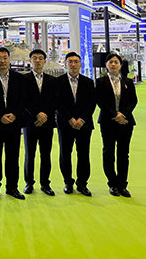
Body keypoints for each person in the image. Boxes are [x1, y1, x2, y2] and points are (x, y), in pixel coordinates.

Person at [0, 46, 27, 200]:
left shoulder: (19, 78)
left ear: (9, 59)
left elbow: (23, 99)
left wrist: (14, 114)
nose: (2, 61)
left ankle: (12, 187)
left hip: (13, 123)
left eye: (5, 58)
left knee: (13, 157)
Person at [96, 53, 138, 198]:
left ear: (120, 65)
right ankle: (112, 184)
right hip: (108, 121)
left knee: (123, 153)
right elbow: (100, 101)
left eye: (116, 62)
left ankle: (122, 184)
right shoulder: (100, 82)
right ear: (106, 65)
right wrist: (114, 115)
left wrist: (123, 114)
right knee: (108, 152)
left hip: (125, 122)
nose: (113, 64)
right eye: (110, 62)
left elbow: (133, 100)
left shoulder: (128, 82)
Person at [55, 52, 96, 196]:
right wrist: (70, 119)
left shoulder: (88, 82)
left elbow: (92, 103)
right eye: (70, 62)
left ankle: (82, 184)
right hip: (65, 124)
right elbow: (58, 102)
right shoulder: (58, 82)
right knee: (65, 154)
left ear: (80, 64)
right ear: (65, 64)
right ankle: (68, 182)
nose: (73, 64)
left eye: (76, 61)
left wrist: (82, 119)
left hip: (84, 124)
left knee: (83, 154)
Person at [22, 49, 57, 196]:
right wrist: (37, 114)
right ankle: (29, 183)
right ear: (30, 61)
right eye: (34, 58)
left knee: (45, 154)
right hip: (30, 122)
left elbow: (55, 100)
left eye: (40, 58)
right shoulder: (23, 79)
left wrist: (44, 115)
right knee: (30, 154)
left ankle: (45, 183)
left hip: (47, 122)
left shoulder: (52, 80)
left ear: (45, 61)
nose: (37, 60)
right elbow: (23, 100)